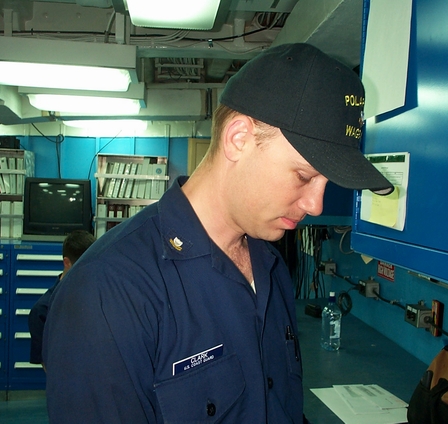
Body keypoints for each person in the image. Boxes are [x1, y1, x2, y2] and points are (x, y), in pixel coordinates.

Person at [43, 43, 394, 423]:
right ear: (238, 139)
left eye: (327, 183)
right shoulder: (107, 292)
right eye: (304, 176)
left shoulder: (270, 265)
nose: (316, 205)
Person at [28, 229, 95, 369]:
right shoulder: (42, 311)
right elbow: (49, 367)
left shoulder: (100, 300)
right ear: (67, 263)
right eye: (84, 267)